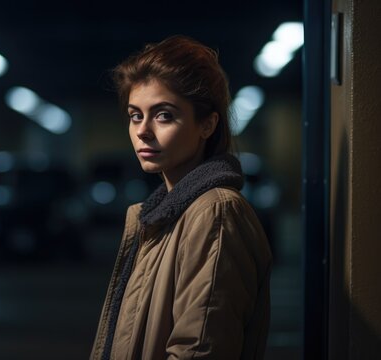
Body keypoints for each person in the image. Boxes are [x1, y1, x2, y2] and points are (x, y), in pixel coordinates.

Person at [90, 35, 272, 359]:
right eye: (135, 115)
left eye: (163, 115)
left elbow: (199, 350)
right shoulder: (160, 217)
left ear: (207, 124)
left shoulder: (215, 213)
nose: (143, 130)